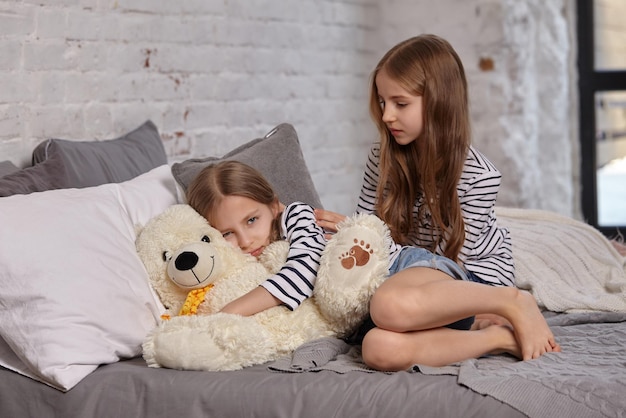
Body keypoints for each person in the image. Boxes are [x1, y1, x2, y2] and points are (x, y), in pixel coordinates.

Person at [315, 34, 561, 371]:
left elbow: (457, 264)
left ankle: (513, 301)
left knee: (388, 306)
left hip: (465, 282)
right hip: (404, 280)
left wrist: (374, 241)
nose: (387, 116)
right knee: (377, 348)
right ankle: (500, 340)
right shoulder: (381, 158)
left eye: (400, 104)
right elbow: (372, 237)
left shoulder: (477, 174)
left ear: (439, 103)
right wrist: (351, 233)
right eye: (383, 102)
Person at [186, 160, 326, 317]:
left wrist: (227, 314)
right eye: (227, 233)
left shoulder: (297, 215)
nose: (245, 242)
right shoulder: (220, 260)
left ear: (273, 206)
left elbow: (308, 268)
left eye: (251, 220)